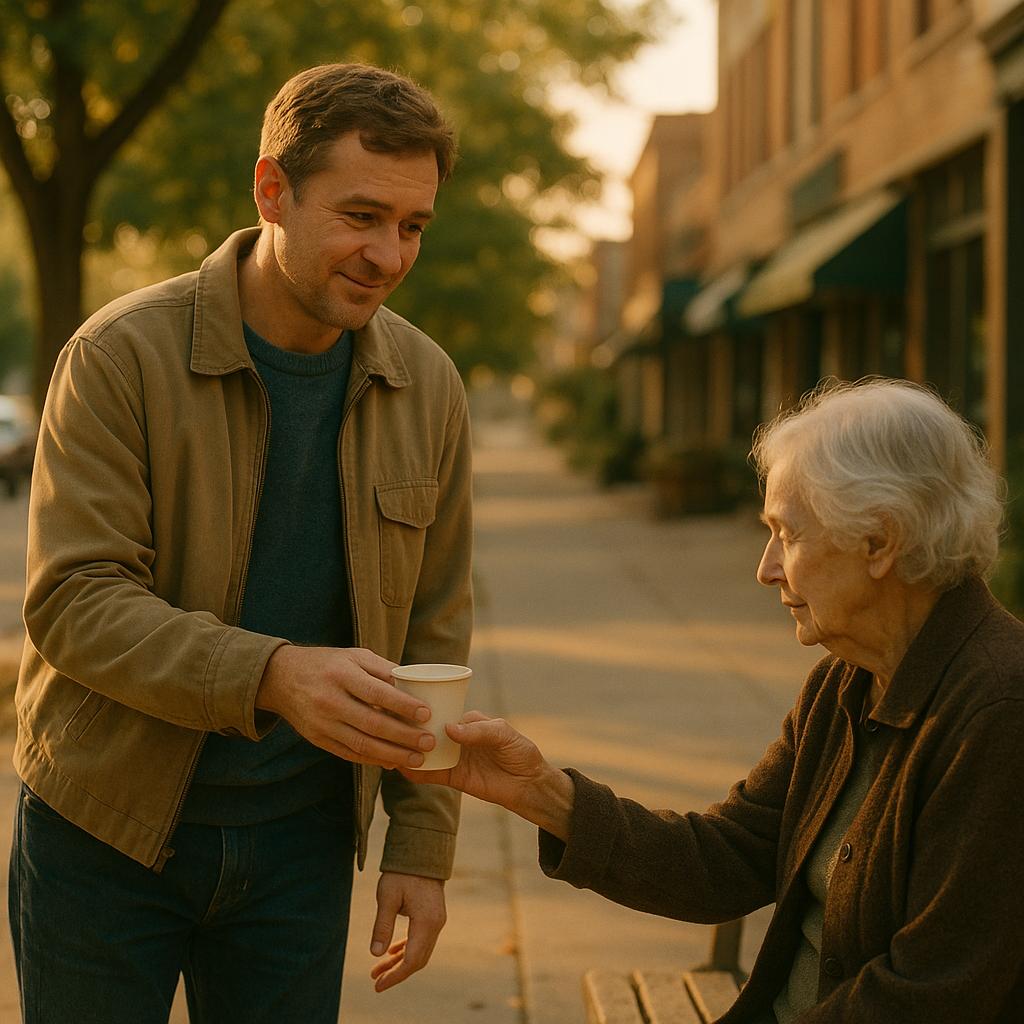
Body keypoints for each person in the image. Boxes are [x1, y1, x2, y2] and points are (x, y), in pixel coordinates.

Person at [11, 62, 473, 1023]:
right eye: (360, 216)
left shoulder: (428, 387)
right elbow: (75, 601)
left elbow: (434, 633)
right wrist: (271, 674)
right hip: (105, 834)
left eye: (412, 226)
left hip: (300, 854)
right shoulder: (119, 356)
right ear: (272, 190)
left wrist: (421, 851)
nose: (389, 255)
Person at [404, 378, 1024, 1023]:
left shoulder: (999, 710)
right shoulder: (847, 681)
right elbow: (729, 857)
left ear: (880, 542)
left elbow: (933, 994)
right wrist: (538, 791)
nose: (766, 568)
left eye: (787, 534)